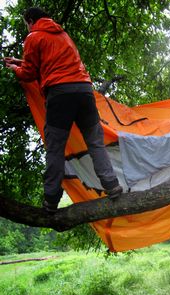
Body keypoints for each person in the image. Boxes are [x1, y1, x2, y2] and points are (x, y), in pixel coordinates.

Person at [4, 7, 122, 213]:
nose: (27, 28)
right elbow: (49, 64)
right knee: (95, 143)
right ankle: (112, 186)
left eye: (26, 24)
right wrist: (19, 61)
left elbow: (30, 73)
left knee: (55, 148)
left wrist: (15, 69)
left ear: (30, 20)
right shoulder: (62, 35)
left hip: (60, 94)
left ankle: (50, 200)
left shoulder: (34, 36)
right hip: (84, 91)